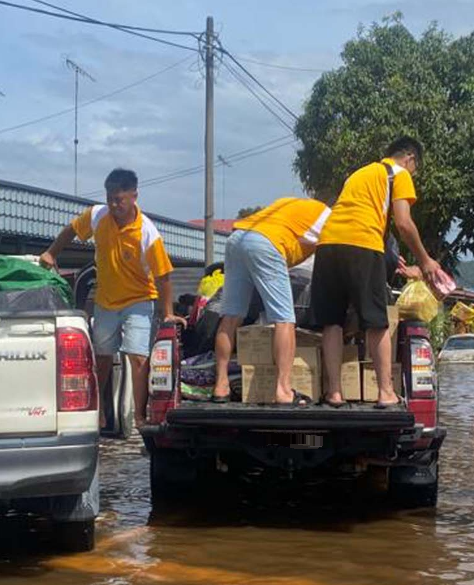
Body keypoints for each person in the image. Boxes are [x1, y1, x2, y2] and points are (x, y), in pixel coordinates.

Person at [40, 168, 181, 428]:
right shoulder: (97, 215)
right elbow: (70, 231)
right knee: (102, 357)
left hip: (138, 300)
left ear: (134, 196)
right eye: (110, 199)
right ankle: (98, 410)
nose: (114, 205)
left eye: (120, 199)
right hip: (105, 301)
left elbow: (164, 276)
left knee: (137, 357)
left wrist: (168, 311)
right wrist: (50, 253)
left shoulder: (147, 233)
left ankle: (139, 416)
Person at [311, 136, 440, 406]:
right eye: (416, 167)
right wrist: (426, 260)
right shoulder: (399, 173)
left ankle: (334, 392)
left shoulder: (359, 174)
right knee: (376, 320)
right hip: (362, 244)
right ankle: (385, 392)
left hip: (327, 244)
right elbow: (404, 223)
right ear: (410, 158)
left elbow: (360, 213)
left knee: (332, 321)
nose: (414, 173)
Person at [212, 197, 331, 405]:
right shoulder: (328, 217)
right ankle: (284, 391)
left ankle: (220, 386)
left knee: (231, 316)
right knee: (284, 320)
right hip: (266, 243)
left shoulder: (294, 206)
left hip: (237, 238)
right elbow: (334, 253)